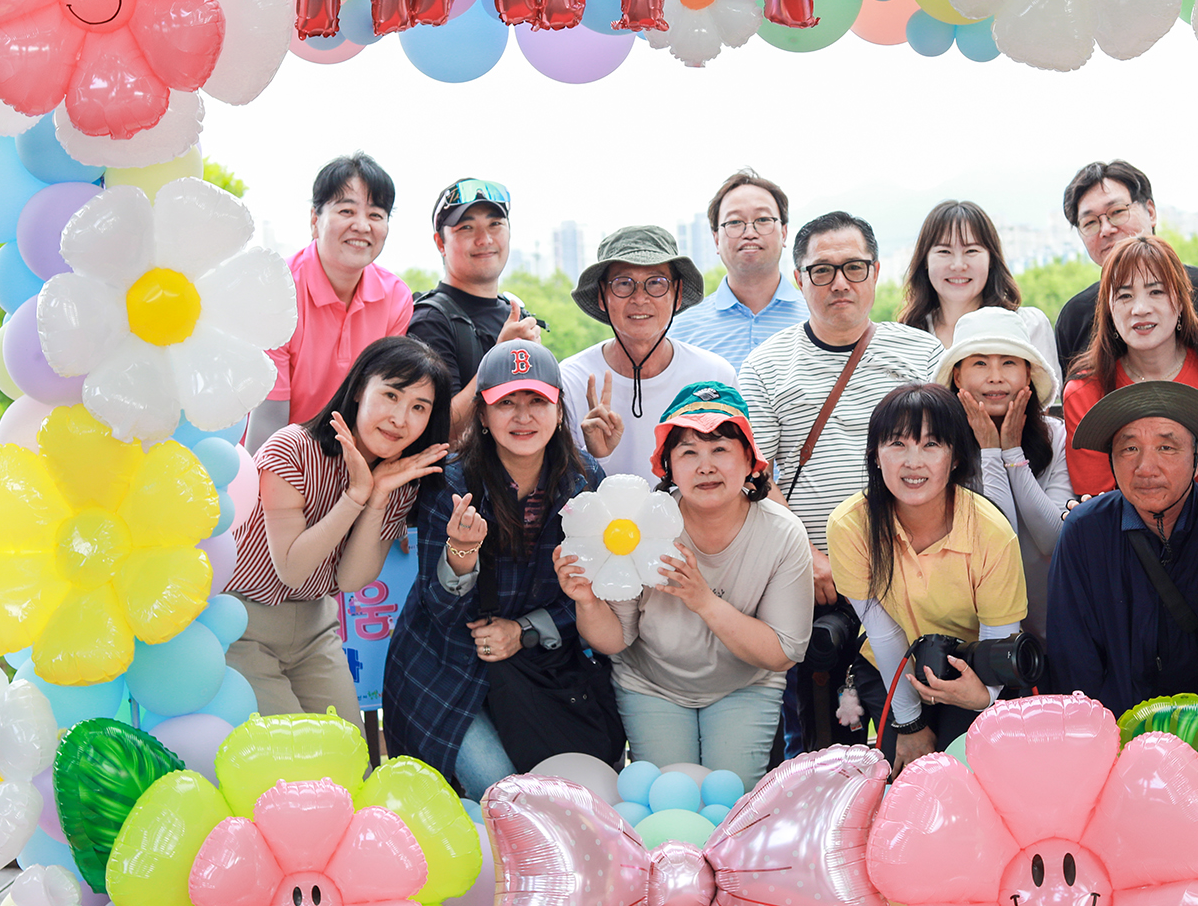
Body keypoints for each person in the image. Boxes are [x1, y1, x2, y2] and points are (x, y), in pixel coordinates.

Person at [739, 211, 942, 753]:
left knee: (919, 740)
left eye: (854, 267)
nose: (840, 283)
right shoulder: (764, 367)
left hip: (913, 578)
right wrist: (806, 557)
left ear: (875, 271)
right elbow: (754, 475)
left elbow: (948, 462)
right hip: (815, 585)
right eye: (822, 270)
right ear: (799, 278)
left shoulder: (924, 355)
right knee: (820, 745)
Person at [384, 340, 621, 797]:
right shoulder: (449, 482)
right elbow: (441, 611)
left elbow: (595, 594)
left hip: (542, 669)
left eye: (537, 401)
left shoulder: (585, 479)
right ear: (483, 414)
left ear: (558, 409)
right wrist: (462, 552)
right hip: (447, 667)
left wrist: (524, 629)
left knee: (573, 793)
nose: (523, 416)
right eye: (506, 403)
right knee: (503, 789)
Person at [552, 383, 814, 789]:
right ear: (668, 467)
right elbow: (615, 640)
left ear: (750, 460)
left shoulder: (783, 534)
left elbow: (783, 652)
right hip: (650, 684)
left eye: (720, 449)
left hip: (744, 685)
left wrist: (702, 600)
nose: (705, 466)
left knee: (729, 799)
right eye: (688, 452)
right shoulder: (638, 527)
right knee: (670, 797)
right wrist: (586, 601)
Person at [226, 335, 451, 723]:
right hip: (244, 626)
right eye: (391, 395)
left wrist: (377, 497)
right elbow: (293, 568)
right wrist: (355, 496)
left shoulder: (399, 481)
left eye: (419, 407)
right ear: (360, 388)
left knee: (350, 750)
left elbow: (350, 580)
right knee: (292, 755)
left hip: (316, 628)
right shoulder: (292, 449)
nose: (400, 419)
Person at [1045, 381, 1198, 720]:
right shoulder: (1084, 532)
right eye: (1129, 449)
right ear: (1112, 459)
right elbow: (1073, 662)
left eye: (1166, 447)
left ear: (1197, 457)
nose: (1146, 468)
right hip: (1117, 733)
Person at [827, 384, 1029, 775]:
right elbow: (883, 633)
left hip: (972, 665)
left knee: (963, 770)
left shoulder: (991, 532)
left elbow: (998, 641)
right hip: (890, 665)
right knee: (906, 775)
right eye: (897, 444)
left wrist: (983, 696)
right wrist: (909, 723)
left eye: (931, 444)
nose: (913, 462)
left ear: (956, 458)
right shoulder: (850, 525)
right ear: (875, 455)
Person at [1062, 236, 1198, 498]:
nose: (1140, 309)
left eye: (1156, 292)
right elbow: (1098, 505)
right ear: (1109, 311)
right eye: (1125, 295)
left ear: (1181, 301)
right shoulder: (1084, 392)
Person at [253, 153, 413, 450]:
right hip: (278, 455)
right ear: (315, 220)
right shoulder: (277, 288)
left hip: (349, 456)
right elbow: (267, 423)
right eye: (346, 211)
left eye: (375, 215)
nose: (362, 226)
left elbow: (383, 406)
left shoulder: (396, 297)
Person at [933, 306, 1071, 642]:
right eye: (980, 363)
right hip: (974, 633)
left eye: (1009, 362)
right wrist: (991, 452)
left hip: (1055, 624)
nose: (995, 377)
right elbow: (996, 544)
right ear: (957, 377)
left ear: (1027, 374)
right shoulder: (939, 447)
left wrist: (1012, 453)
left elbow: (1053, 539)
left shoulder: (1056, 436)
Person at [1051, 160, 1198, 376]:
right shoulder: (1074, 318)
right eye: (1090, 223)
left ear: (1150, 212)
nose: (1106, 229)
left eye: (1117, 211)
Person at [560, 226, 735, 478]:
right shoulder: (570, 379)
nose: (640, 298)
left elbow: (737, 474)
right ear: (602, 296)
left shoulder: (714, 376)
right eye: (623, 283)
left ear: (677, 294)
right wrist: (595, 456)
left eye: (656, 283)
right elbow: (554, 489)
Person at [407, 178, 545, 429]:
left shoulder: (515, 315)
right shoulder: (430, 321)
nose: (485, 239)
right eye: (467, 228)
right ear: (440, 243)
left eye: (495, 224)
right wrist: (499, 357)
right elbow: (439, 430)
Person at [899, 199, 1062, 395]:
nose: (958, 265)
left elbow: (1044, 405)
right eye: (944, 251)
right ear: (925, 260)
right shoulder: (907, 338)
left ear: (991, 259)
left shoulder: (1028, 325)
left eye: (971, 251)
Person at [667, 169, 807, 369]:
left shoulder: (819, 319)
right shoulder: (680, 331)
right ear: (716, 238)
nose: (749, 232)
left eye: (763, 219)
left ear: (784, 232)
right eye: (734, 222)